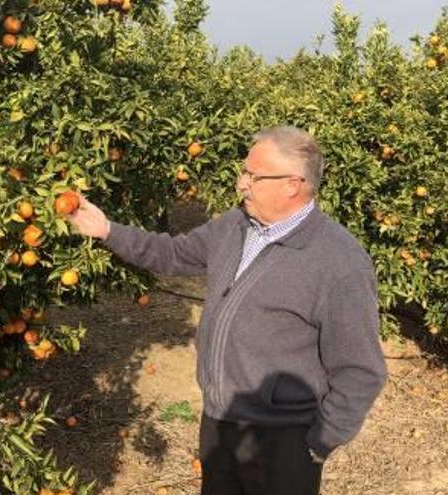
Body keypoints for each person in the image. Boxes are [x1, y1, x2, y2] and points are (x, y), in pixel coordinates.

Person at [66, 126, 387, 495]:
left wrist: (319, 443)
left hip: (283, 440)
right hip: (220, 423)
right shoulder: (236, 225)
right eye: (244, 172)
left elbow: (361, 371)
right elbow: (171, 253)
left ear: (292, 185)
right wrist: (106, 229)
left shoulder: (338, 262)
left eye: (253, 175)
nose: (241, 183)